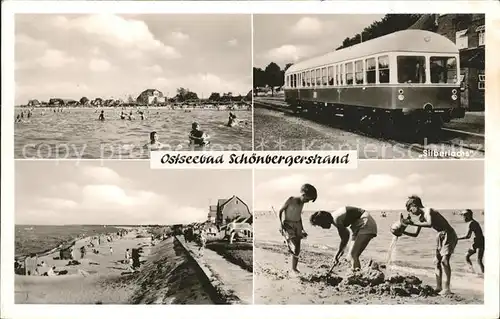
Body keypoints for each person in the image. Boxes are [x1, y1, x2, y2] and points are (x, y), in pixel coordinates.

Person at [402, 195, 458, 295]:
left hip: (448, 234)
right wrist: (402, 231)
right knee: (437, 262)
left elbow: (430, 224)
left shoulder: (429, 211)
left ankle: (447, 288)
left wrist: (413, 223)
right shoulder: (422, 217)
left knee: (445, 260)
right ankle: (438, 287)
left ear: (414, 205)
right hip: (440, 235)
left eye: (411, 210)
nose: (411, 213)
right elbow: (415, 234)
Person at [310, 206, 378, 272]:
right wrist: (340, 251)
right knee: (349, 256)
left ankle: (357, 276)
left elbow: (344, 239)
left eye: (321, 224)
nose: (322, 227)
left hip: (365, 223)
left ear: (324, 220)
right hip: (359, 225)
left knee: (353, 255)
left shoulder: (336, 219)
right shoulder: (334, 217)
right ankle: (356, 273)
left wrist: (336, 255)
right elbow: (346, 235)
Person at [278, 183, 317, 274]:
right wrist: (280, 224)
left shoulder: (302, 203)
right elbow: (280, 211)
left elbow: (299, 216)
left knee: (298, 248)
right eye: (307, 199)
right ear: (303, 194)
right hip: (288, 224)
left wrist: (302, 229)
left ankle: (294, 268)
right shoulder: (291, 200)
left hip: (297, 225)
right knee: (294, 246)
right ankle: (288, 243)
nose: (307, 202)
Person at [458, 209, 484, 274]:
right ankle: (472, 271)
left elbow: (467, 236)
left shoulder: (471, 223)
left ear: (468, 216)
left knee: (478, 260)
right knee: (467, 256)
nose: (463, 217)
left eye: (464, 215)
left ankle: (484, 274)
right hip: (476, 242)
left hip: (480, 242)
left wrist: (457, 238)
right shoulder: (472, 222)